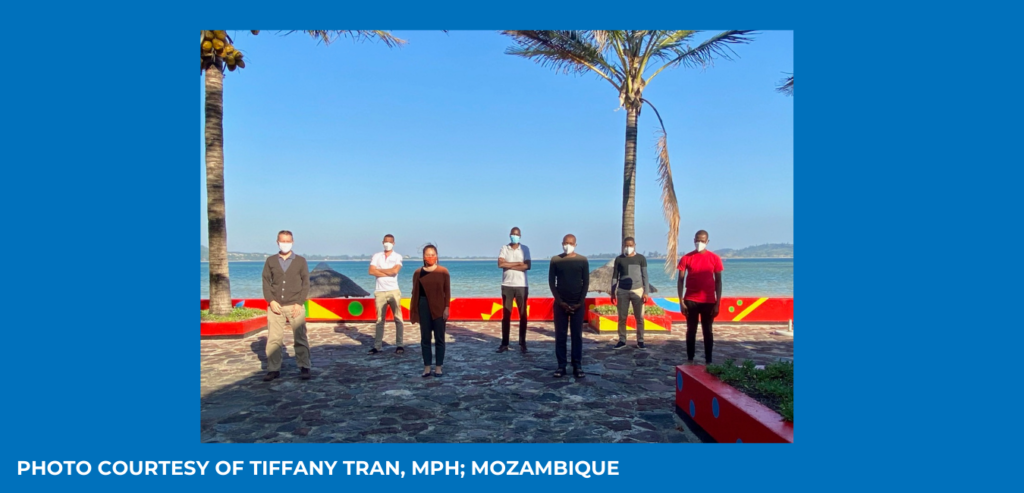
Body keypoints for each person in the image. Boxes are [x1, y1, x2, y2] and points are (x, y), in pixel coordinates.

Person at [260, 230, 311, 381]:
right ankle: (273, 369)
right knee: (274, 339)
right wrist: (271, 301)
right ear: (277, 242)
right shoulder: (270, 261)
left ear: (292, 242)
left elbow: (306, 283)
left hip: (295, 305)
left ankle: (304, 366)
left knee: (300, 337)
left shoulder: (300, 261)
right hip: (276, 306)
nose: (285, 244)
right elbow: (265, 282)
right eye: (282, 241)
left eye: (288, 241)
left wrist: (299, 303)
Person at [676, 230, 724, 365]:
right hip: (690, 300)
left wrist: (717, 303)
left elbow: (718, 281)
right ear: (693, 240)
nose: (700, 243)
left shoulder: (715, 258)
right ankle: (690, 358)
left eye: (703, 240)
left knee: (707, 330)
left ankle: (709, 359)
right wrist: (681, 301)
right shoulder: (686, 258)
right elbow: (680, 280)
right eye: (697, 240)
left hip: (709, 301)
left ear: (707, 241)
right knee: (691, 330)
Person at [548, 234, 589, 378]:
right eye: (565, 243)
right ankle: (561, 366)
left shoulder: (582, 260)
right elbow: (552, 283)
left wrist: (580, 302)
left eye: (570, 243)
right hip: (560, 305)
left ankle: (577, 365)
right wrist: (560, 302)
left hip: (578, 304)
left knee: (576, 336)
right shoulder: (555, 260)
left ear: (575, 244)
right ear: (561, 243)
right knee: (560, 336)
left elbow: (586, 283)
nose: (568, 245)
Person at [410, 245, 451, 377]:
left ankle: (439, 366)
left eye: (433, 255)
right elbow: (415, 293)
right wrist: (414, 310)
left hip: (439, 306)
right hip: (423, 306)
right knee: (425, 338)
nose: (431, 257)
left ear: (437, 256)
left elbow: (447, 291)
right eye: (428, 255)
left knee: (440, 338)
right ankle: (427, 367)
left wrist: (446, 307)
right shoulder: (418, 273)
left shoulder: (443, 271)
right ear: (423, 257)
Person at [610, 237, 650, 350]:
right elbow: (615, 277)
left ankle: (640, 340)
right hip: (622, 291)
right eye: (626, 246)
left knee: (640, 317)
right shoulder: (619, 259)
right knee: (622, 317)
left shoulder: (641, 258)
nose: (628, 248)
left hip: (637, 290)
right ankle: (622, 339)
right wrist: (613, 292)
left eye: (630, 245)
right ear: (623, 245)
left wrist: (646, 292)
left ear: (635, 245)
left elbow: (645, 276)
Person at [496, 227, 532, 353]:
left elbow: (527, 266)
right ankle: (504, 343)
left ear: (520, 236)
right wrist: (518, 264)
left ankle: (522, 343)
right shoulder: (504, 248)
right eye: (512, 234)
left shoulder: (525, 249)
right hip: (507, 285)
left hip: (522, 285)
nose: (514, 236)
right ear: (509, 235)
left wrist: (509, 264)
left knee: (523, 315)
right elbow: (500, 264)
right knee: (506, 315)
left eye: (516, 234)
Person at [368, 234, 405, 355]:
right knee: (379, 320)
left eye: (389, 242)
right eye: (385, 241)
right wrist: (387, 271)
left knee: (398, 318)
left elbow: (395, 271)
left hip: (393, 290)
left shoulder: (397, 256)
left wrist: (379, 271)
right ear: (382, 242)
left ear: (393, 243)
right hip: (380, 291)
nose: (387, 243)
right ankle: (377, 346)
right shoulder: (376, 256)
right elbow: (371, 271)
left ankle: (399, 344)